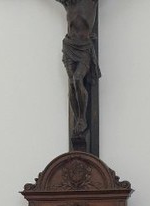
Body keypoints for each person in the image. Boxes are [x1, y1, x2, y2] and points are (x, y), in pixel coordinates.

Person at [55, 0, 101, 136]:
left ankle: (82, 118)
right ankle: (77, 119)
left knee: (77, 79)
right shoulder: (68, 2)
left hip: (84, 49)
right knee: (71, 83)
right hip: (69, 46)